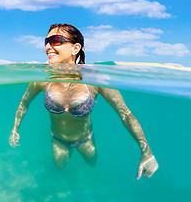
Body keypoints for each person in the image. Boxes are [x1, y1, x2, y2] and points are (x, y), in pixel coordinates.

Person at [9, 23, 158, 179]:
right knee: (60, 168)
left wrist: (147, 153)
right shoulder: (41, 80)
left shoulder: (95, 79)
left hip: (85, 139)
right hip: (58, 139)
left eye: (55, 40)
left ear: (75, 48)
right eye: (46, 42)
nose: (48, 46)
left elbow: (125, 114)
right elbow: (24, 103)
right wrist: (15, 129)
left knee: (92, 163)